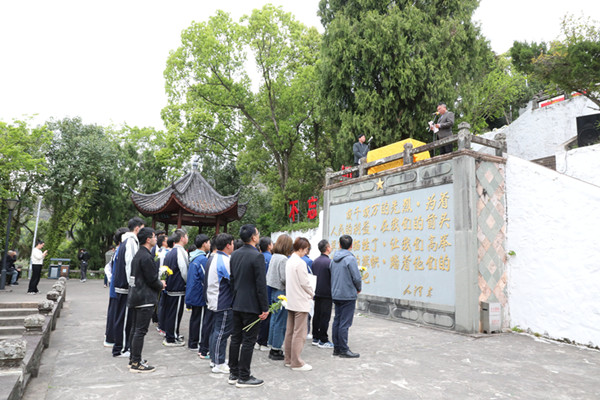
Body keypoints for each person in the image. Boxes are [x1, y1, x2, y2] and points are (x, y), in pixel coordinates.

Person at [228, 224, 269, 388]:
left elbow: (232, 280)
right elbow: (261, 285)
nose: (258, 236)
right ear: (253, 237)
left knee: (236, 338)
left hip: (237, 303)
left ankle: (233, 373)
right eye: (257, 234)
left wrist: (235, 298)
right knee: (248, 341)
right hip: (251, 305)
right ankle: (244, 376)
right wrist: (265, 308)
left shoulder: (235, 254)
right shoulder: (257, 256)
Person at [128, 227, 166, 373]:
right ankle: (136, 363)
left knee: (135, 329)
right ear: (148, 239)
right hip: (144, 298)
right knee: (140, 330)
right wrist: (161, 284)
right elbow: (151, 279)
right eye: (154, 236)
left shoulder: (139, 254)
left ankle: (133, 358)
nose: (156, 239)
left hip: (136, 296)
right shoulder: (146, 257)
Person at [112, 216, 145, 357]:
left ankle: (121, 347)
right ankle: (122, 348)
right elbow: (130, 265)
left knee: (123, 318)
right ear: (137, 228)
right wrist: (133, 285)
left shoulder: (126, 241)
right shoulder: (131, 242)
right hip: (126, 287)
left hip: (123, 286)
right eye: (142, 229)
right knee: (125, 319)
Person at [283, 237, 314, 371]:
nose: (306, 252)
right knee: (299, 333)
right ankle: (296, 362)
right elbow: (305, 283)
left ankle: (288, 359)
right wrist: (312, 293)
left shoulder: (289, 261)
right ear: (301, 248)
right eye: (306, 249)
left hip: (291, 300)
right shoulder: (300, 263)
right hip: (300, 301)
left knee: (290, 331)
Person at [205, 233, 235, 373]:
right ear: (228, 245)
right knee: (221, 332)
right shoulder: (225, 260)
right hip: (222, 301)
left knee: (216, 331)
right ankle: (219, 362)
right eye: (233, 243)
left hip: (214, 299)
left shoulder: (213, 257)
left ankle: (215, 358)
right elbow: (232, 280)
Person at [330, 234, 361, 358]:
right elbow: (356, 277)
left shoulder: (333, 259)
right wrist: (358, 288)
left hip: (336, 294)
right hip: (347, 294)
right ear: (351, 246)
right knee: (345, 323)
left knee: (337, 321)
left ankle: (336, 348)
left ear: (339, 244)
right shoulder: (350, 259)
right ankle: (343, 349)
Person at [266, 234, 293, 361]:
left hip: (273, 291)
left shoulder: (274, 256)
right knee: (280, 322)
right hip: (282, 292)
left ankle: (272, 345)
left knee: (274, 320)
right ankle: (276, 349)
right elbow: (284, 278)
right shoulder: (283, 259)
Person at [186, 234, 213, 357]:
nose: (210, 244)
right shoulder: (202, 259)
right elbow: (205, 277)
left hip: (193, 292)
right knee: (201, 320)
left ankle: (192, 342)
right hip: (199, 294)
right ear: (204, 244)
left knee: (195, 318)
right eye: (208, 242)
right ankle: (198, 343)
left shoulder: (193, 257)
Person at [162, 229, 189, 346]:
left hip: (170, 287)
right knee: (176, 313)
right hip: (177, 288)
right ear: (182, 238)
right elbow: (184, 270)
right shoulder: (180, 252)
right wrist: (188, 283)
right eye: (186, 236)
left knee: (172, 312)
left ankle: (173, 334)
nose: (187, 238)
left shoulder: (170, 252)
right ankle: (171, 338)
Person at [105, 227, 128, 347]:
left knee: (113, 312)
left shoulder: (118, 250)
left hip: (114, 286)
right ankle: (112, 338)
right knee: (115, 314)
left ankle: (110, 337)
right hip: (117, 288)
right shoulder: (120, 251)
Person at [311, 239, 334, 348]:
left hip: (317, 292)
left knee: (317, 315)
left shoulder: (315, 261)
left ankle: (315, 337)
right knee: (325, 317)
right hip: (327, 293)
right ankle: (323, 339)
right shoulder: (329, 263)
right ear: (327, 248)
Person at [255, 236, 273, 351]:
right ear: (269, 246)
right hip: (269, 290)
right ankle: (263, 342)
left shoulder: (258, 257)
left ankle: (257, 341)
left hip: (258, 290)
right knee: (267, 316)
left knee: (259, 317)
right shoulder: (271, 258)